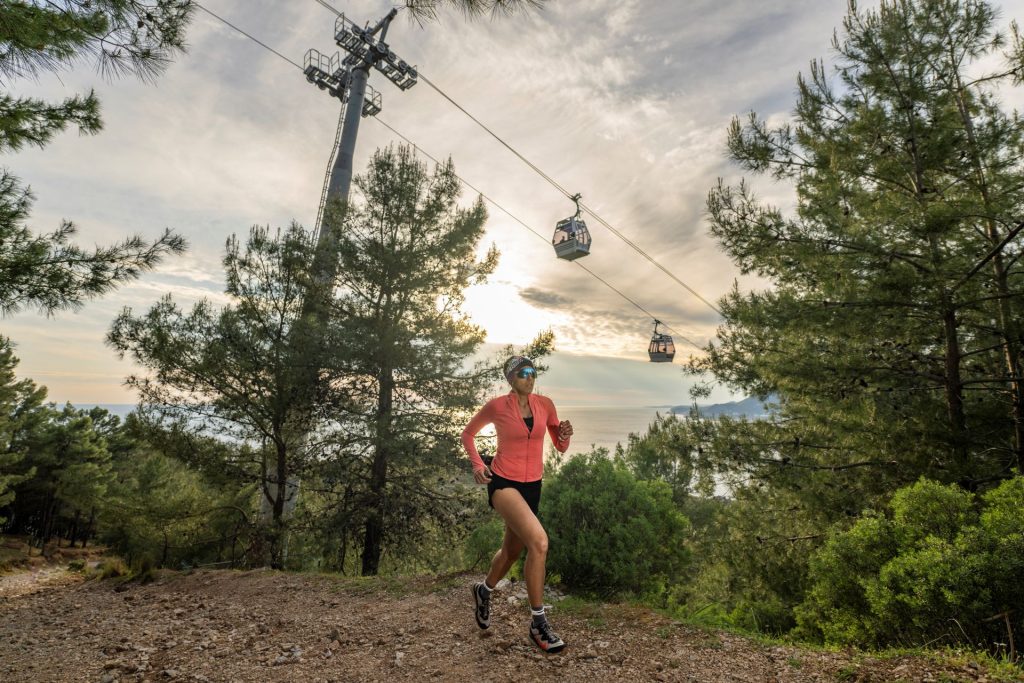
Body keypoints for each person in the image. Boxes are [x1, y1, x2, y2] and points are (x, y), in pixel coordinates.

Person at [461, 355, 573, 653]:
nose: (530, 377)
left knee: (511, 552)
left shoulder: (545, 404)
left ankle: (483, 590)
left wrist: (564, 436)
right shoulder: (497, 406)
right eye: (523, 373)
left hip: (533, 486)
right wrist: (477, 465)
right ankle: (538, 623)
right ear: (511, 378)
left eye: (532, 371)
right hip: (503, 482)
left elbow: (560, 446)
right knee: (539, 542)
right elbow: (467, 434)